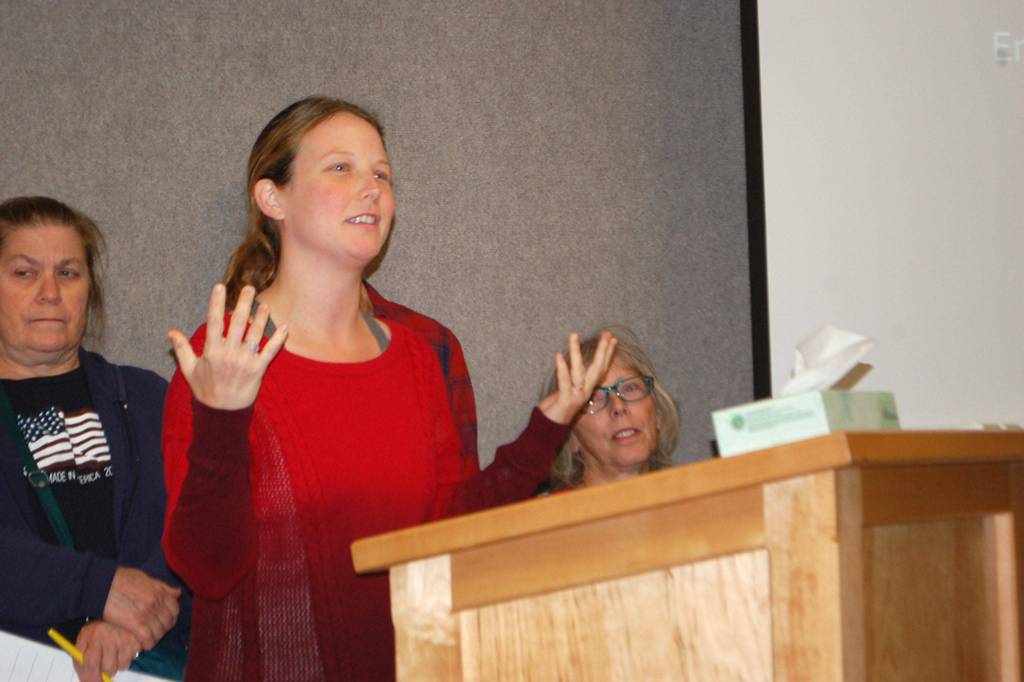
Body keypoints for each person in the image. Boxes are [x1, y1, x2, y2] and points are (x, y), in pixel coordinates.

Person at [161, 96, 616, 682]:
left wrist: (541, 436)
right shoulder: (222, 356)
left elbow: (448, 538)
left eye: (382, 174)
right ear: (273, 197)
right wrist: (222, 419)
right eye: (341, 168)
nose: (372, 188)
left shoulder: (418, 361)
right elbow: (208, 569)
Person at [0, 196, 189, 682]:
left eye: (68, 273)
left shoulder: (148, 397)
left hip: (152, 663)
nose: (49, 292)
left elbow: (198, 517)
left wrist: (139, 616)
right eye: (24, 273)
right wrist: (99, 588)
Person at [545, 328, 679, 490]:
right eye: (592, 398)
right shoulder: (552, 514)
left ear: (657, 414)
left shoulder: (696, 499)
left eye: (629, 388)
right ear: (570, 438)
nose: (618, 406)